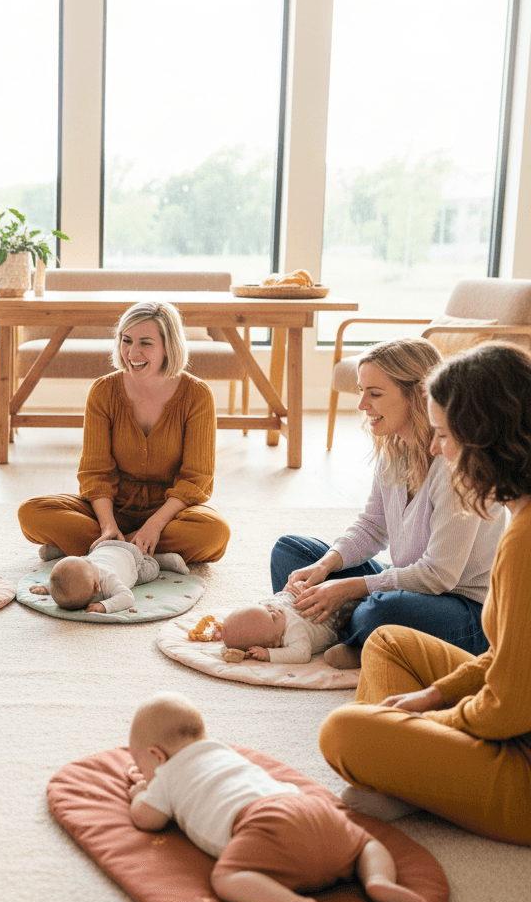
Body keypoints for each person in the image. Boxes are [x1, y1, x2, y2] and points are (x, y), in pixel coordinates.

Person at [320, 342, 531, 845]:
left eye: (441, 435)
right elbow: (509, 661)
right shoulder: (521, 515)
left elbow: (508, 708)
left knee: (344, 731)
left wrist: (436, 718)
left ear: (482, 438)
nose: (435, 448)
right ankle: (404, 775)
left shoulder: (524, 543)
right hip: (516, 707)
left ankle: (399, 773)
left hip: (523, 766)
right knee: (389, 642)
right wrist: (432, 696)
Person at [128, 693, 429, 902]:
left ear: (158, 755)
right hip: (308, 807)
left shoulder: (166, 774)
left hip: (263, 822)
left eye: (142, 768)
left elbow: (147, 819)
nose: (144, 775)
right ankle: (378, 880)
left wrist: (140, 793)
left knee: (226, 877)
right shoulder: (223, 751)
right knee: (366, 844)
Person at [269, 338, 503, 669]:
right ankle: (355, 635)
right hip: (408, 581)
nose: (362, 404)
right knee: (290, 552)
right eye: (362, 390)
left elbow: (439, 576)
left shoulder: (457, 465)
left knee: (378, 611)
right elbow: (373, 526)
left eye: (375, 393)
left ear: (419, 394)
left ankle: (341, 630)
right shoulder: (395, 449)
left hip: (462, 607)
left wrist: (350, 588)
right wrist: (326, 565)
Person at [18, 301, 230, 567]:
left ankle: (99, 551)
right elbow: (95, 472)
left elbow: (196, 479)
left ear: (169, 346)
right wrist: (107, 525)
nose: (132, 352)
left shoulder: (197, 395)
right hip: (110, 509)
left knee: (214, 533)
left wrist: (154, 525)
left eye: (146, 343)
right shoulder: (103, 391)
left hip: (168, 515)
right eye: (126, 340)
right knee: (32, 513)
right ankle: (142, 552)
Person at [28, 539, 189, 613]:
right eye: (87, 563)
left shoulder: (108, 578)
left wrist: (104, 606)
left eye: (86, 561)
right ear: (96, 587)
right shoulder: (85, 566)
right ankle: (65, 547)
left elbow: (127, 597)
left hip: (132, 556)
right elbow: (64, 580)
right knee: (75, 567)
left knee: (150, 571)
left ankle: (158, 559)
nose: (89, 562)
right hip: (101, 546)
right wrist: (47, 587)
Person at [220, 582, 358, 664]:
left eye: (266, 608)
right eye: (273, 618)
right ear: (273, 644)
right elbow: (302, 654)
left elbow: (245, 619)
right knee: (356, 629)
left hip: (326, 593)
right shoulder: (294, 630)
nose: (274, 610)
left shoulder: (271, 606)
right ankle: (356, 651)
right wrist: (269, 655)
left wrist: (299, 588)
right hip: (343, 619)